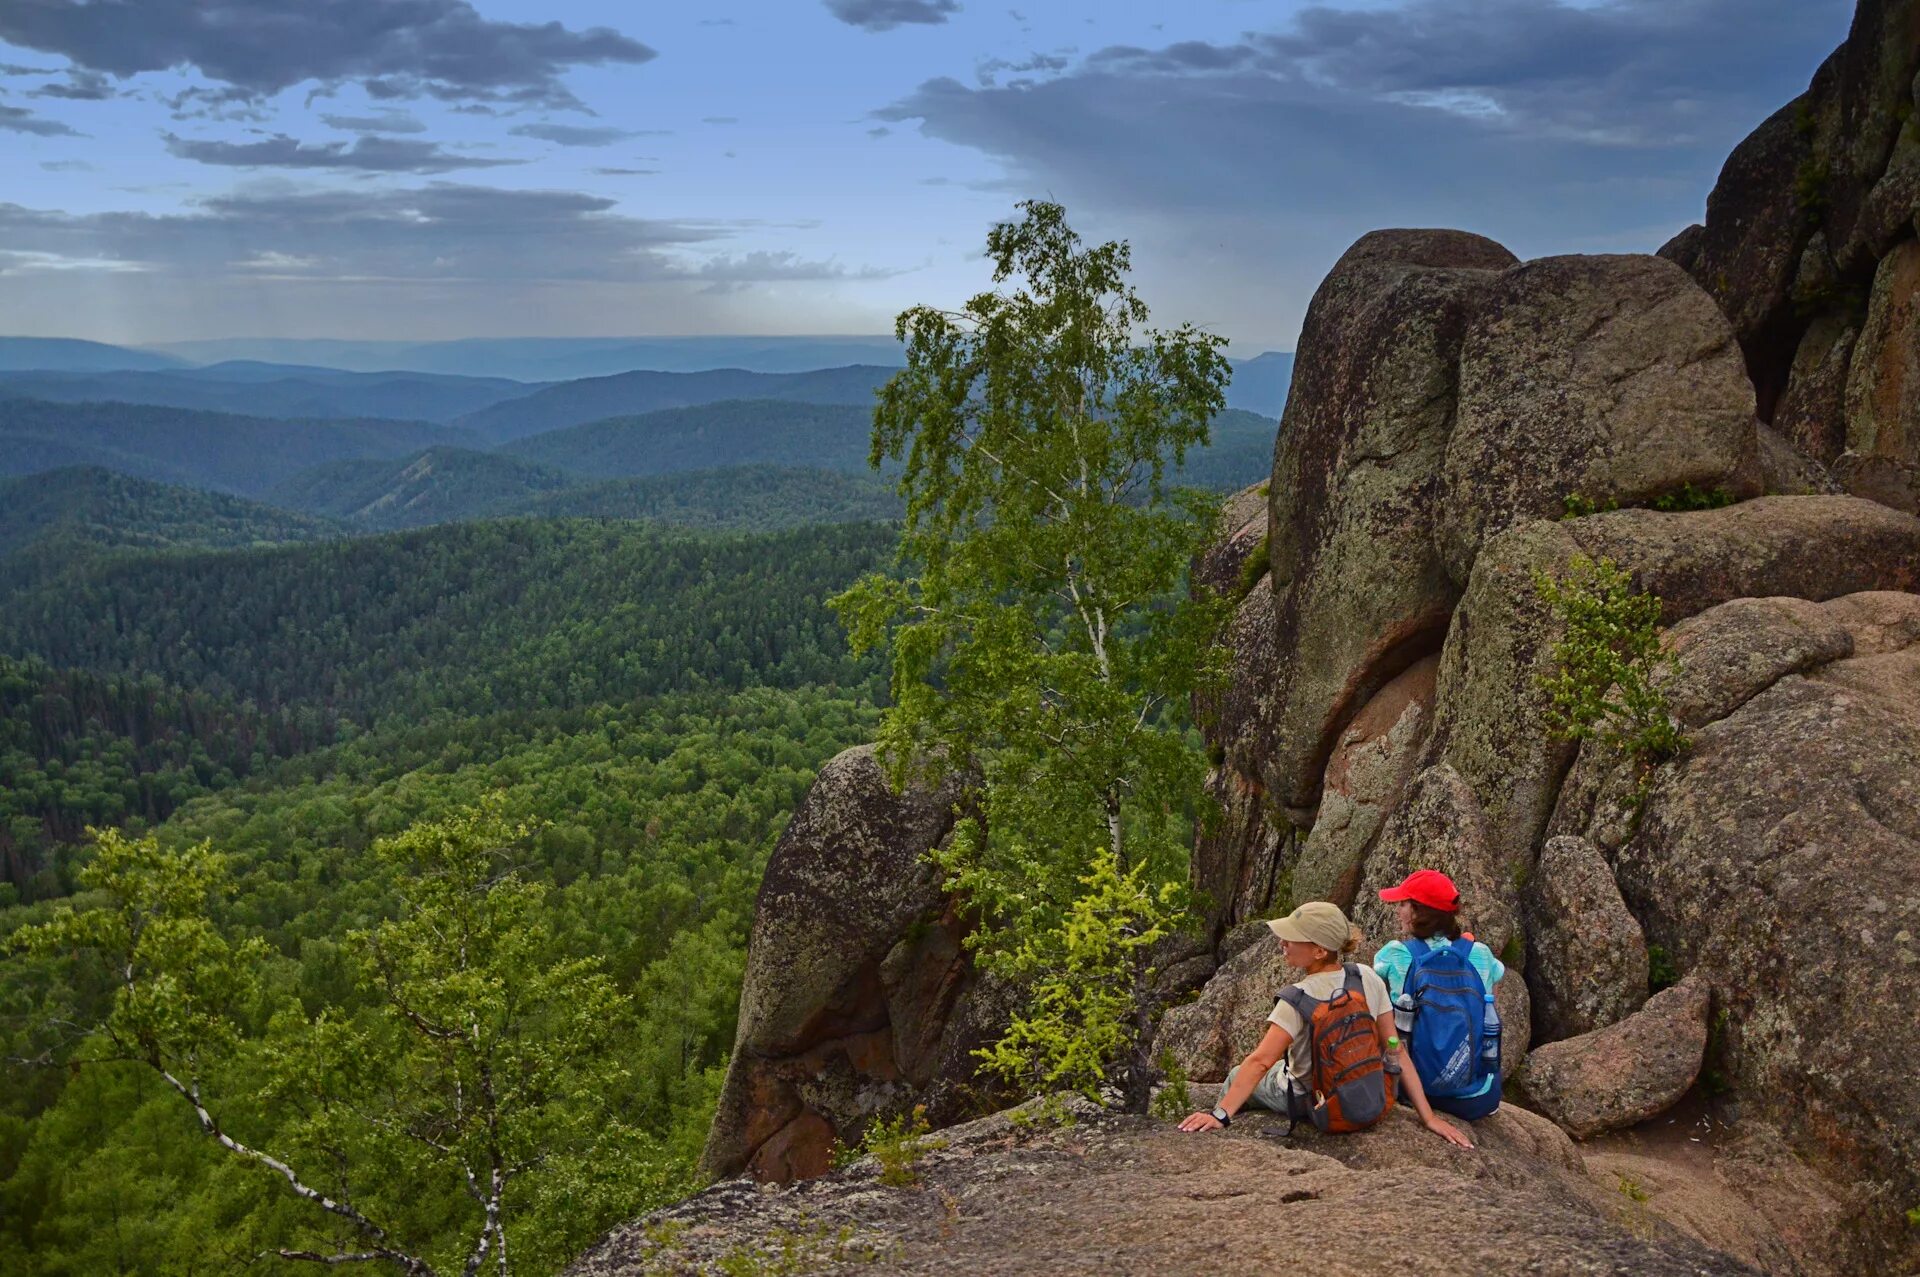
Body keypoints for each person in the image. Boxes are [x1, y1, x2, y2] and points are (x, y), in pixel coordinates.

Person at [1178, 900, 1474, 1148]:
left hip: (1310, 1099)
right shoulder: (1366, 976)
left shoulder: (1296, 999)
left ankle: (1224, 1118)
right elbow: (1395, 1048)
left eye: (1292, 938)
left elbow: (1259, 1062)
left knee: (1235, 1074)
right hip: (1367, 1089)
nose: (1283, 943)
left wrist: (1219, 1116)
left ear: (1319, 951)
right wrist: (1429, 1118)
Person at [1373, 868, 1506, 1125]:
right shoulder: (1480, 953)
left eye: (1403, 904)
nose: (1398, 910)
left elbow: (1378, 1016)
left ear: (1419, 911)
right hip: (1478, 1098)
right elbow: (1490, 1008)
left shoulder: (1395, 954)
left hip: (1409, 1091)